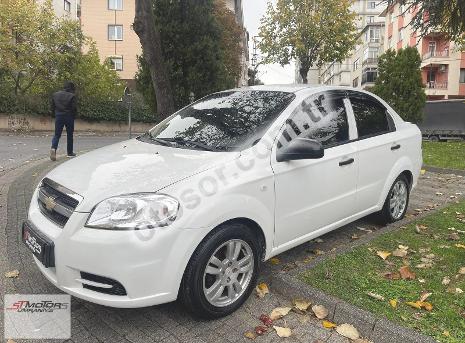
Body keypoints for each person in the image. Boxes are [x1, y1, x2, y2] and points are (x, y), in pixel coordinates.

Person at [50, 81, 77, 161]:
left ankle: (53, 148)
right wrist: (74, 116)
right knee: (69, 135)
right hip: (69, 116)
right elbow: (74, 108)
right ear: (71, 88)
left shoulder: (55, 95)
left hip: (58, 116)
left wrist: (54, 115)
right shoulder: (72, 96)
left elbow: (52, 107)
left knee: (57, 134)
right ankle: (70, 153)